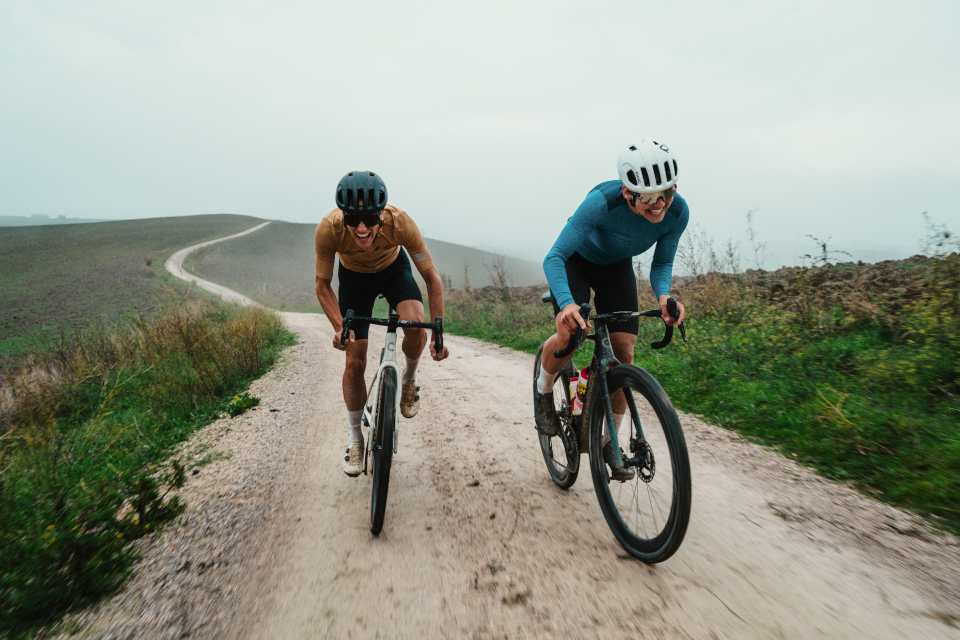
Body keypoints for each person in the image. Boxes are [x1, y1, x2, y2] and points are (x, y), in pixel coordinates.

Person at [535, 140, 688, 481]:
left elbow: (661, 263)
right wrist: (569, 304)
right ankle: (543, 390)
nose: (660, 204)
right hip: (575, 262)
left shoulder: (677, 213)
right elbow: (554, 258)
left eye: (666, 191)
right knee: (571, 334)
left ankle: (609, 440)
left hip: (616, 268)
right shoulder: (600, 204)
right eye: (648, 197)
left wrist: (664, 297)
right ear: (627, 192)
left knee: (623, 353)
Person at [315, 171, 449, 477]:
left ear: (382, 214)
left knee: (415, 324)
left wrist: (438, 331)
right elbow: (322, 285)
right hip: (353, 279)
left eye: (370, 219)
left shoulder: (401, 222)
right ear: (343, 216)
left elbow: (431, 278)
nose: (362, 228)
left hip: (393, 271)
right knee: (354, 361)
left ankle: (410, 378)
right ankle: (355, 439)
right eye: (353, 219)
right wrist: (340, 327)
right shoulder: (328, 229)